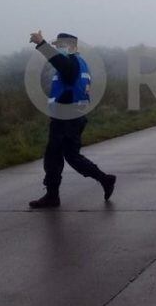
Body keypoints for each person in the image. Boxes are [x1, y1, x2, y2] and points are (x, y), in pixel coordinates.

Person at [27, 31, 116, 209]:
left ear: (72, 47)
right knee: (71, 156)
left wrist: (42, 44)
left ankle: (52, 197)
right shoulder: (81, 63)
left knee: (53, 157)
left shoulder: (72, 63)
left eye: (60, 45)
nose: (58, 48)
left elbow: (64, 67)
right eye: (56, 45)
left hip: (66, 118)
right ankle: (105, 179)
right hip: (74, 116)